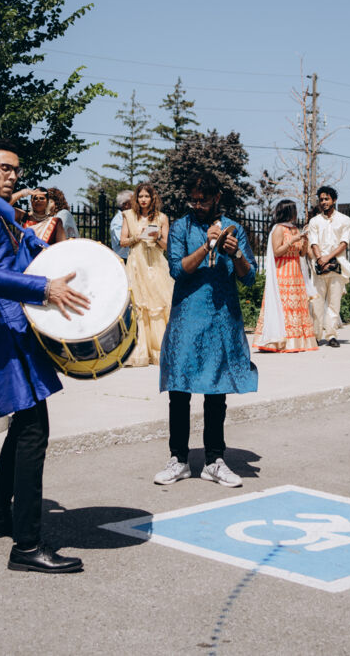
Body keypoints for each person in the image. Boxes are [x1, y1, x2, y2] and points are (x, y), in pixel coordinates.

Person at [0, 139, 90, 574]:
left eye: (16, 169)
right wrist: (43, 288)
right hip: (2, 331)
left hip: (15, 326)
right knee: (34, 430)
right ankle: (27, 546)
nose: (12, 175)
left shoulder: (1, 214)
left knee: (23, 424)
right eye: (4, 168)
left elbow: (16, 259)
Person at [152, 171, 257, 489]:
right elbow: (177, 269)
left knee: (216, 392)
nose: (197, 205)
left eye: (204, 200)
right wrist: (207, 246)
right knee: (179, 390)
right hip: (187, 318)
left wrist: (234, 253)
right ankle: (179, 459)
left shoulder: (233, 228)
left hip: (221, 319)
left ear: (217, 198)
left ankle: (214, 460)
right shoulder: (181, 227)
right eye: (193, 200)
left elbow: (249, 277)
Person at [253, 199, 318, 353]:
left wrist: (304, 242)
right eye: (294, 210)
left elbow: (301, 254)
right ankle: (278, 341)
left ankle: (297, 341)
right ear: (288, 212)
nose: (296, 213)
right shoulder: (278, 229)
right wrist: (291, 242)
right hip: (282, 272)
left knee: (296, 306)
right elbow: (277, 252)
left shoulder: (295, 229)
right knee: (283, 306)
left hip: (296, 273)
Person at [120, 182, 173, 366]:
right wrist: (138, 236)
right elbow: (122, 241)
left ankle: (159, 350)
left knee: (158, 303)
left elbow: (167, 245)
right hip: (136, 264)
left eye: (146, 196)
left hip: (155, 264)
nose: (143, 200)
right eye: (140, 196)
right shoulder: (128, 215)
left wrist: (156, 237)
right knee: (138, 304)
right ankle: (138, 351)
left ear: (152, 198)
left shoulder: (162, 218)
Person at [306, 186, 350, 348]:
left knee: (334, 303)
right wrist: (320, 258)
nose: (323, 202)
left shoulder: (344, 220)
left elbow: (344, 243)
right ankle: (316, 335)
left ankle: (331, 335)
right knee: (317, 303)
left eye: (326, 199)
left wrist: (327, 258)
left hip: (337, 265)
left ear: (334, 200)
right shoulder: (314, 221)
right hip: (319, 267)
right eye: (321, 200)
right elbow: (313, 242)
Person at [109, 189, 134, 260]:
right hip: (123, 259)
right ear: (126, 205)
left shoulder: (131, 218)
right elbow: (122, 242)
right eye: (134, 201)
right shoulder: (118, 221)